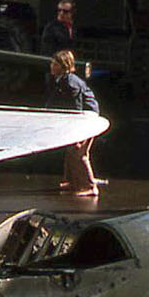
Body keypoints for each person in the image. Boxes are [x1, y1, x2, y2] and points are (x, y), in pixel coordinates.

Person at [46, 49, 99, 196]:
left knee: (79, 152)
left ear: (63, 66)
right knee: (70, 151)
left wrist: (78, 135)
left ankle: (90, 187)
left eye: (54, 63)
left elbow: (78, 110)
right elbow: (54, 101)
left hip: (88, 120)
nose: (51, 66)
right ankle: (71, 181)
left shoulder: (71, 84)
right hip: (83, 118)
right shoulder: (61, 80)